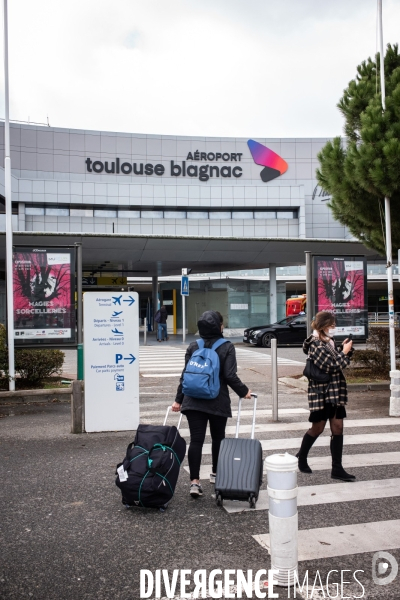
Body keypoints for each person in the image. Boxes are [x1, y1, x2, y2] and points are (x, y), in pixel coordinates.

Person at [171, 310, 252, 498]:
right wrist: (244, 391)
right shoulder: (226, 347)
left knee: (196, 440)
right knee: (218, 439)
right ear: (219, 326)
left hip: (192, 401)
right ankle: (216, 474)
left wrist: (178, 400)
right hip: (217, 400)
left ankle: (194, 483)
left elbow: (185, 375)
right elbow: (230, 375)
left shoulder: (193, 346)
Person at [297, 311, 355, 482]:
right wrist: (344, 352)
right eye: (331, 325)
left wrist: (343, 351)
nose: (334, 328)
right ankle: (301, 458)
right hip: (321, 393)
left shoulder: (328, 341)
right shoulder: (315, 344)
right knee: (318, 428)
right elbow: (332, 365)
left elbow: (336, 360)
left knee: (338, 428)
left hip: (335, 392)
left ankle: (337, 468)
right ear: (323, 326)